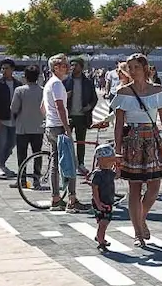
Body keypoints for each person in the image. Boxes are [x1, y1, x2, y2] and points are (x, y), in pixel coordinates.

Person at [112, 52, 162, 247]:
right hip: (133, 141)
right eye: (129, 67)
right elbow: (119, 123)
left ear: (145, 68)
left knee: (154, 187)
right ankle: (138, 232)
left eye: (136, 67)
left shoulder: (157, 89)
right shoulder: (123, 92)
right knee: (134, 187)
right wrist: (117, 150)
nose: (132, 71)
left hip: (152, 138)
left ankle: (141, 217)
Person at [42, 54, 82, 212]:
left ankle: (56, 197)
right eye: (64, 65)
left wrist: (49, 119)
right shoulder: (57, 84)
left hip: (50, 126)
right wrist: (66, 127)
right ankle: (72, 199)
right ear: (56, 68)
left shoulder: (49, 84)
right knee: (70, 162)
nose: (67, 68)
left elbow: (42, 107)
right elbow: (60, 106)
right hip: (59, 127)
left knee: (55, 163)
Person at [10, 65, 46, 192]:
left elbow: (14, 108)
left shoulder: (19, 90)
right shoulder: (43, 90)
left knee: (22, 155)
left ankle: (22, 180)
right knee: (37, 153)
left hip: (22, 127)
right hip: (38, 127)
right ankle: (37, 179)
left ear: (25, 77)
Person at [64, 58, 99, 172]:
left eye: (76, 65)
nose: (73, 67)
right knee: (66, 142)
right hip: (68, 116)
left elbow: (94, 98)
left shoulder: (88, 82)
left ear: (81, 67)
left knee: (81, 142)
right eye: (72, 65)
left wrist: (88, 107)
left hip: (82, 116)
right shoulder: (66, 81)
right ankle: (67, 164)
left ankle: (80, 164)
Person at [0, 60, 18, 179]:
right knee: (2, 142)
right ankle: (0, 165)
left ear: (12, 69)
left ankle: (3, 163)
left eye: (6, 68)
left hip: (15, 119)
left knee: (12, 143)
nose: (3, 71)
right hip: (2, 118)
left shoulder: (18, 84)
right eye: (2, 68)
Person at [89, 144, 120, 252]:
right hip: (101, 202)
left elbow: (117, 176)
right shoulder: (98, 174)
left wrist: (118, 166)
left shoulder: (109, 172)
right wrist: (97, 202)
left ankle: (100, 237)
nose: (112, 162)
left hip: (108, 201)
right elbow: (94, 189)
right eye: (110, 160)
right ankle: (101, 242)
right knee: (103, 223)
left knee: (105, 222)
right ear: (102, 160)